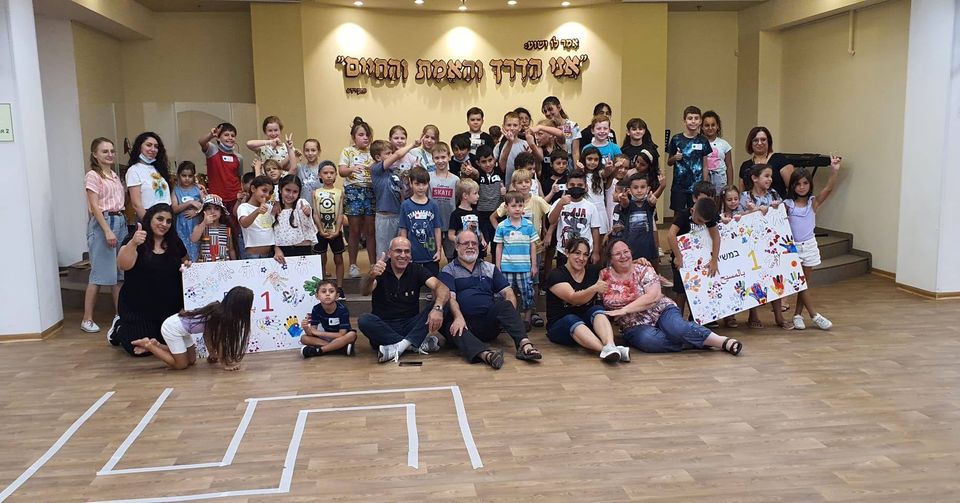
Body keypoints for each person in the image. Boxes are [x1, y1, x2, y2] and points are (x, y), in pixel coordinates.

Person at [601, 239, 742, 355]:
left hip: (661, 310)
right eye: (618, 254)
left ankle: (722, 342)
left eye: (626, 252)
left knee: (677, 328)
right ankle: (693, 341)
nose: (623, 256)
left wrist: (624, 310)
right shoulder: (603, 276)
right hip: (633, 325)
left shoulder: (644, 268)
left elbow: (653, 296)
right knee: (650, 341)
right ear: (610, 259)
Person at [440, 230, 543, 362]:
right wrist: (458, 318)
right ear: (457, 246)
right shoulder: (448, 270)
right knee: (449, 323)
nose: (471, 246)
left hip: (488, 324)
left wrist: (508, 316)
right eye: (466, 243)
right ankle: (486, 355)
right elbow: (450, 298)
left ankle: (525, 346)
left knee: (505, 304)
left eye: (474, 243)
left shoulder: (489, 268)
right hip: (464, 325)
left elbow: (508, 292)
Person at [108, 204, 189, 356]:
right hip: (138, 308)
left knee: (167, 344)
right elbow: (123, 265)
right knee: (139, 351)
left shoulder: (175, 242)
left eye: (168, 221)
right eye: (160, 219)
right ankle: (119, 328)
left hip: (168, 307)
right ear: (149, 219)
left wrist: (187, 266)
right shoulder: (135, 239)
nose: (164, 224)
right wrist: (133, 243)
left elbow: (186, 262)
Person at [359, 237, 450, 363]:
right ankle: (413, 343)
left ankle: (399, 346)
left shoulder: (416, 269)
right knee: (364, 320)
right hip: (384, 327)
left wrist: (438, 307)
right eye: (398, 251)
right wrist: (371, 275)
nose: (403, 255)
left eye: (407, 251)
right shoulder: (381, 270)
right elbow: (365, 291)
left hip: (411, 325)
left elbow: (442, 288)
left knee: (444, 302)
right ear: (390, 253)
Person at [543, 237, 627, 362]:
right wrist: (593, 288)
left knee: (598, 309)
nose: (581, 258)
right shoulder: (556, 275)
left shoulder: (593, 271)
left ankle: (610, 346)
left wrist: (637, 262)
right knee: (571, 319)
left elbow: (618, 269)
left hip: (587, 324)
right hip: (560, 326)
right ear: (567, 252)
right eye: (577, 253)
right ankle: (605, 350)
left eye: (585, 255)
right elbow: (573, 298)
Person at [131, 286, 253, 371]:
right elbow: (218, 340)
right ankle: (149, 346)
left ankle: (157, 345)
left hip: (182, 328)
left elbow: (207, 335)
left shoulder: (219, 309)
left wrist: (212, 354)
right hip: (172, 328)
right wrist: (224, 363)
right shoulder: (221, 316)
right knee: (181, 365)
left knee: (191, 360)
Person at [785, 157, 842, 330]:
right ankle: (814, 315)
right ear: (792, 186)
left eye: (805, 183)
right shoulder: (788, 205)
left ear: (810, 184)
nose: (802, 187)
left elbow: (829, 188)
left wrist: (835, 170)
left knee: (804, 284)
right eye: (798, 184)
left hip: (809, 245)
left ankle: (797, 315)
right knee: (800, 283)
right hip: (793, 247)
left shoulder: (813, 202)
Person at [82, 138, 128, 334]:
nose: (109, 154)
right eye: (104, 151)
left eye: (111, 150)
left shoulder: (114, 176)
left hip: (120, 220)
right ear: (95, 154)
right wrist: (107, 230)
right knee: (99, 274)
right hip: (104, 223)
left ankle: (121, 315)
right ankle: (87, 318)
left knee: (119, 274)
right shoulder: (93, 175)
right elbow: (94, 205)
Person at [668, 184, 721, 317]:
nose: (702, 224)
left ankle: (696, 319)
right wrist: (678, 256)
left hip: (699, 260)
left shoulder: (709, 216)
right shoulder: (684, 215)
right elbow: (671, 234)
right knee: (680, 291)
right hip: (681, 260)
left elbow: (716, 237)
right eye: (699, 220)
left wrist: (714, 261)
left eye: (705, 222)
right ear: (693, 211)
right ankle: (678, 319)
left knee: (699, 289)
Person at [494, 191, 539, 329]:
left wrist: (534, 265)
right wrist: (498, 266)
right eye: (514, 206)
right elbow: (499, 247)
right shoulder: (502, 226)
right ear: (506, 207)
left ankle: (526, 319)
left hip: (524, 267)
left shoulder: (528, 225)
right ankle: (508, 320)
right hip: (507, 267)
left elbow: (533, 246)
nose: (518, 209)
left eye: (520, 205)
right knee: (505, 295)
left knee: (527, 293)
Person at [339, 117, 376, 278]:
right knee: (353, 230)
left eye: (367, 135)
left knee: (370, 230)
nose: (365, 137)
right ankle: (353, 265)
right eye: (361, 134)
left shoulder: (373, 152)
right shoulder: (347, 151)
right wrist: (352, 169)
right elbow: (341, 171)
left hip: (370, 191)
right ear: (354, 137)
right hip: (354, 192)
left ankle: (373, 263)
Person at [373, 137, 421, 257]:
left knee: (400, 250)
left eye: (391, 153)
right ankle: (382, 274)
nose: (392, 155)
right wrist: (412, 145)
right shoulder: (376, 169)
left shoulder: (394, 172)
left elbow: (402, 193)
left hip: (399, 216)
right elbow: (399, 154)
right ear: (378, 158)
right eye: (388, 154)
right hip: (385, 217)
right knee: (384, 252)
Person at [548, 170, 602, 266]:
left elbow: (595, 230)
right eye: (572, 185)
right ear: (567, 186)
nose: (575, 187)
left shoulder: (591, 206)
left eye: (580, 185)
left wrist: (596, 252)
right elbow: (551, 220)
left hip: (585, 253)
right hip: (564, 251)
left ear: (585, 187)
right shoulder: (559, 202)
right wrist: (560, 204)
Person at [666, 106, 712, 215]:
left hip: (696, 186)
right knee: (678, 215)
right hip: (679, 186)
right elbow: (669, 162)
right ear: (684, 120)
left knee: (696, 213)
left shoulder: (703, 140)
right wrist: (675, 158)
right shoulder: (676, 139)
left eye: (696, 118)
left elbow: (705, 165)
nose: (693, 121)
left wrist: (705, 185)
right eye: (690, 118)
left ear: (700, 121)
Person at [312, 162, 346, 300]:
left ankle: (339, 287)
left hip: (335, 232)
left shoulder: (339, 192)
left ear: (336, 175)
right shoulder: (315, 193)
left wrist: (337, 230)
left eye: (332, 173)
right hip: (321, 232)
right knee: (321, 258)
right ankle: (322, 286)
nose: (329, 175)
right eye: (325, 173)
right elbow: (315, 213)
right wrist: (320, 230)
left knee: (338, 258)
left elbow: (340, 213)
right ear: (320, 175)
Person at [399, 167, 442, 275]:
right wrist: (404, 252)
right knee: (412, 285)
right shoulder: (405, 205)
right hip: (413, 253)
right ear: (411, 183)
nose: (421, 187)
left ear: (428, 184)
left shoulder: (433, 205)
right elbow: (403, 230)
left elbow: (437, 229)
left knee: (434, 283)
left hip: (430, 251)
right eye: (417, 184)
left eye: (424, 184)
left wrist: (439, 250)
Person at [300, 280, 357, 358]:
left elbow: (341, 334)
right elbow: (312, 333)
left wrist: (319, 333)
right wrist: (306, 328)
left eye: (331, 291)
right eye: (323, 291)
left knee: (352, 335)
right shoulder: (316, 309)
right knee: (304, 338)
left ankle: (319, 350)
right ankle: (340, 348)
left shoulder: (342, 310)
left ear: (337, 296)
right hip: (328, 339)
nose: (327, 294)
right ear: (317, 296)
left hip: (341, 338)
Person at [126, 132, 172, 220]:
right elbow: (136, 204)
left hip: (166, 217)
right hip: (147, 217)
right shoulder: (134, 170)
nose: (153, 149)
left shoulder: (159, 169)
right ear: (140, 147)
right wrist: (149, 224)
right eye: (148, 145)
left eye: (156, 146)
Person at [739, 126, 795, 197]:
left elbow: (793, 188)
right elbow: (741, 194)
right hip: (751, 207)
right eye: (755, 140)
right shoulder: (745, 166)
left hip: (777, 206)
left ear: (768, 141)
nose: (759, 143)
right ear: (751, 143)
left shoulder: (780, 160)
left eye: (763, 140)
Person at [617, 173, 658, 264]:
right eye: (635, 188)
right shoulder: (628, 204)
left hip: (647, 247)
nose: (639, 190)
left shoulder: (649, 204)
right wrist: (623, 198)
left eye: (643, 187)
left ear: (648, 189)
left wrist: (653, 200)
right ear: (629, 190)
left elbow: (652, 202)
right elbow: (625, 203)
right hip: (630, 247)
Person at [429, 142, 460, 263]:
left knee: (451, 255)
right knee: (432, 253)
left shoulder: (455, 179)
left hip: (449, 224)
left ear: (449, 157)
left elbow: (457, 199)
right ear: (432, 159)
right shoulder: (429, 177)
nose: (440, 161)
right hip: (432, 224)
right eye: (437, 158)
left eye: (443, 157)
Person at [237, 175, 281, 260]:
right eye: (264, 190)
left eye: (270, 192)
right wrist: (257, 211)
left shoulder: (270, 208)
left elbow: (273, 231)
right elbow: (244, 223)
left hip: (270, 255)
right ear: (253, 189)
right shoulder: (244, 207)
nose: (267, 195)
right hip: (252, 256)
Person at [273, 175, 317, 259]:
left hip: (303, 249)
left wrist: (307, 212)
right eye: (287, 190)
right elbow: (270, 233)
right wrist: (276, 249)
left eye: (295, 192)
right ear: (280, 189)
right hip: (282, 252)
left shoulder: (301, 203)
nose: (290, 195)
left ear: (299, 192)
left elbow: (307, 220)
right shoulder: (275, 209)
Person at [579, 145, 616, 241]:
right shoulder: (580, 174)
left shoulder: (599, 173)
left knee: (600, 241)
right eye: (589, 159)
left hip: (599, 210)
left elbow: (606, 173)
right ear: (583, 159)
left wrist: (608, 167)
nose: (592, 162)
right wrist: (580, 170)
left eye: (596, 160)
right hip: (585, 210)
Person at [172, 161, 204, 262]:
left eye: (190, 176)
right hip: (181, 227)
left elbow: (206, 205)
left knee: (197, 251)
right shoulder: (176, 190)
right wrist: (189, 203)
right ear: (178, 175)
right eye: (184, 175)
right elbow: (174, 208)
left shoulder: (198, 190)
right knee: (183, 253)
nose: (187, 178)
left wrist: (196, 212)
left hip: (196, 226)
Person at [448, 178, 487, 260]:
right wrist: (462, 241)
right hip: (462, 253)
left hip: (477, 252)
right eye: (475, 193)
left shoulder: (476, 213)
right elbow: (450, 235)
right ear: (465, 195)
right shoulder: (455, 214)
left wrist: (482, 240)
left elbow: (479, 230)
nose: (478, 196)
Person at [191, 195, 237, 262]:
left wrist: (235, 264)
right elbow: (193, 239)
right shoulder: (200, 227)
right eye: (209, 208)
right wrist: (204, 223)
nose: (212, 211)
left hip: (223, 264)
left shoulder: (226, 229)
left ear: (221, 212)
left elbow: (231, 249)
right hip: (205, 264)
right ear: (204, 211)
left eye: (216, 208)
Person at [475, 145, 503, 250]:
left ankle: (497, 266)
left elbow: (504, 157)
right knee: (482, 245)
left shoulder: (500, 171)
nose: (488, 164)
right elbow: (473, 173)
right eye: (483, 161)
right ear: (478, 163)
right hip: (482, 214)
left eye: (490, 160)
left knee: (497, 245)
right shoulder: (478, 175)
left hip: (498, 214)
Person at [541, 96, 581, 167]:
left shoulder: (572, 126)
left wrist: (576, 171)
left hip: (568, 163)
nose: (547, 113)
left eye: (550, 109)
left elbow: (575, 152)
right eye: (545, 111)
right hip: (551, 164)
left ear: (559, 107)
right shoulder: (545, 127)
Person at [701, 111, 734, 197]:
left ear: (718, 126)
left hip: (721, 179)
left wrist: (730, 185)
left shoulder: (724, 144)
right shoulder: (699, 143)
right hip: (704, 178)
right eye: (707, 125)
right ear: (702, 127)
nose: (710, 128)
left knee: (719, 202)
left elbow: (729, 166)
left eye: (713, 125)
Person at [494, 111, 530, 187]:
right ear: (503, 127)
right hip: (505, 186)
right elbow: (500, 166)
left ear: (520, 127)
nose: (512, 128)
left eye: (515, 125)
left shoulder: (525, 144)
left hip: (523, 186)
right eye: (509, 125)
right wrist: (510, 141)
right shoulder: (499, 146)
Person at [290, 138, 325, 204]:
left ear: (319, 152)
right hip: (303, 207)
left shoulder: (323, 169)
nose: (310, 153)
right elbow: (285, 167)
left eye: (313, 150)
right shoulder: (300, 168)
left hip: (320, 206)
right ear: (303, 152)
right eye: (307, 150)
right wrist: (292, 151)